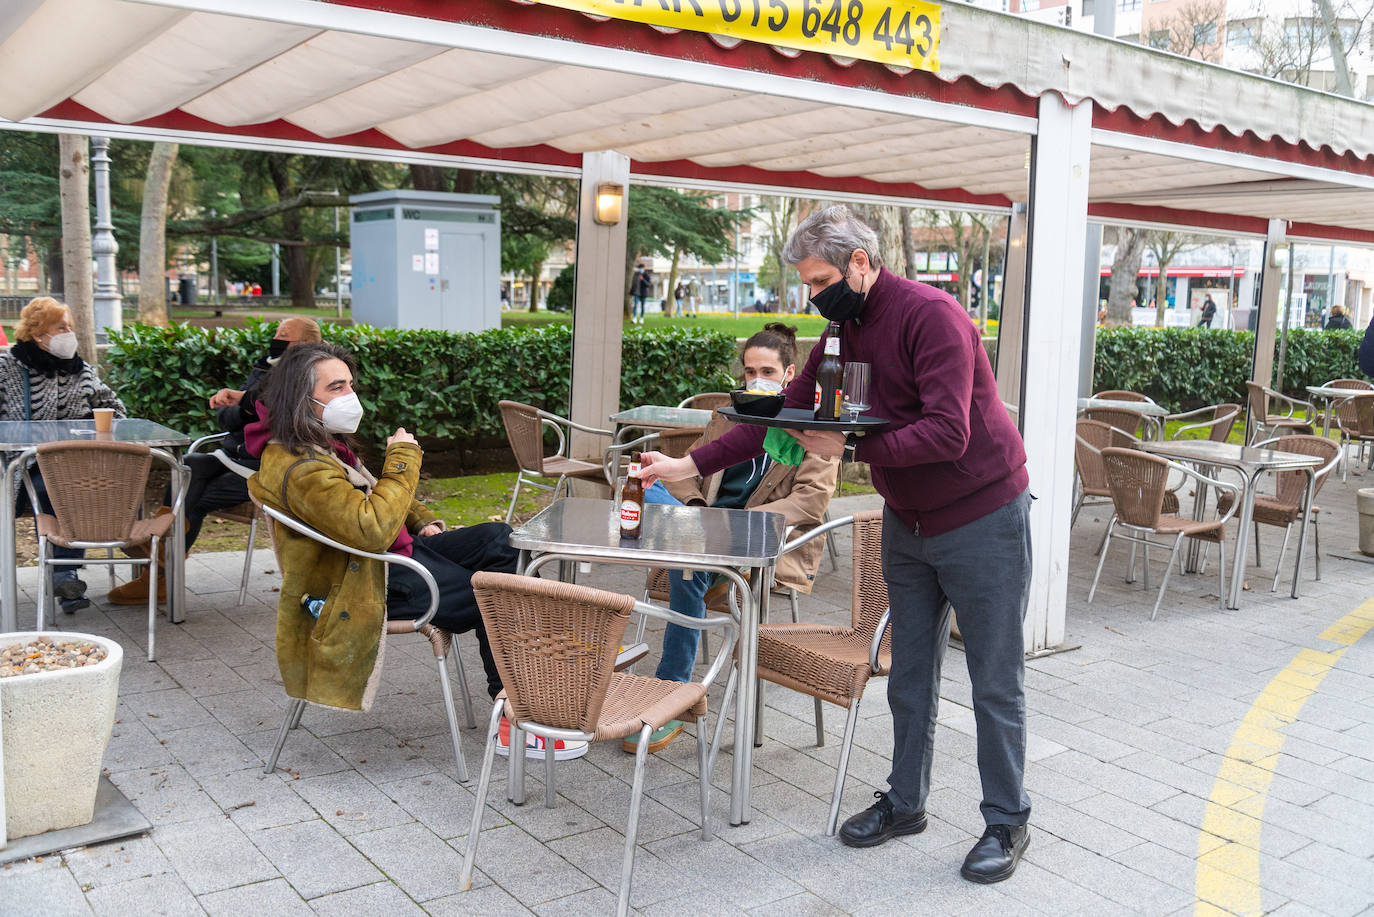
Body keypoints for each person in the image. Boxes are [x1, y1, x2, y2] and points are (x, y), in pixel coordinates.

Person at [639, 206, 1033, 884]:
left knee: (993, 679)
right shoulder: (840, 330)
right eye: (806, 284)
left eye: (820, 279)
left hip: (982, 516)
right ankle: (907, 803)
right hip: (909, 523)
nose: (813, 295)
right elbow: (784, 416)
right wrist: (688, 467)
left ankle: (1006, 818)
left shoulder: (932, 317)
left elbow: (948, 433)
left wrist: (849, 446)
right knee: (909, 676)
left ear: (860, 261)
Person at [245, 344, 583, 757]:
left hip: (393, 557)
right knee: (497, 595)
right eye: (336, 386)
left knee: (499, 538)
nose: (350, 395)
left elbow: (371, 489)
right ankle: (516, 713)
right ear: (302, 398)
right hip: (368, 581)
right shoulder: (301, 468)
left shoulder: (320, 445)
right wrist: (403, 459)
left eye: (350, 384)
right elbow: (370, 527)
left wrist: (422, 520)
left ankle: (540, 654)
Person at [628, 323, 839, 754]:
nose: (755, 378)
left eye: (766, 370)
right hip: (708, 530)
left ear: (790, 373)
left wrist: (733, 528)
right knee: (661, 507)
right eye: (748, 371)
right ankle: (697, 567)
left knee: (687, 566)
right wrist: (697, 513)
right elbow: (692, 473)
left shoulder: (814, 425)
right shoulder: (728, 414)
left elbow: (810, 503)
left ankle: (673, 693)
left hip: (766, 542)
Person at [106, 318, 322, 605]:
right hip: (238, 453)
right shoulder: (266, 365)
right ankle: (160, 559)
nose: (277, 338)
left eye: (286, 335)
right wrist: (245, 409)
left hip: (271, 465)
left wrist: (242, 406)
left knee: (195, 496)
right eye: (276, 332)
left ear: (307, 344)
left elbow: (269, 406)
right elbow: (229, 415)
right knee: (187, 466)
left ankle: (159, 568)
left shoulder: (309, 373)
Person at [0, 297, 125, 613]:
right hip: (15, 463)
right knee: (50, 485)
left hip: (68, 465)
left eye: (70, 326)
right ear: (39, 334)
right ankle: (59, 575)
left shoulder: (80, 370)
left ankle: (65, 575)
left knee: (67, 487)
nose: (69, 333)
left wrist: (92, 422)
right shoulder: (7, 369)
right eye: (61, 327)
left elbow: (118, 410)